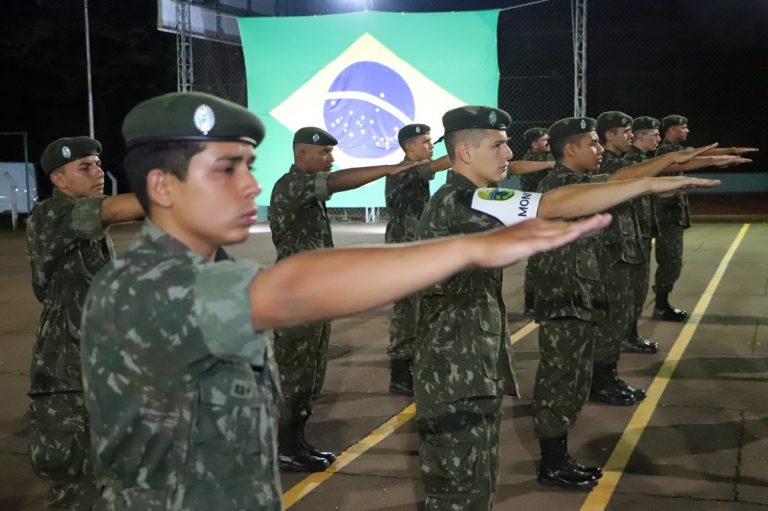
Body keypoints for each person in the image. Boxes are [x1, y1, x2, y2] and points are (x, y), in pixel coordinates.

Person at [79, 91, 613, 511]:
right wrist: (466, 247)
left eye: (248, 165)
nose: (250, 186)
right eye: (225, 169)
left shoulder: (204, 269)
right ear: (162, 188)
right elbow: (295, 285)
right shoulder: (149, 284)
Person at [412, 106, 720, 507]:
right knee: (460, 489)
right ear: (466, 152)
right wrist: (645, 185)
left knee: (476, 484)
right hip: (454, 374)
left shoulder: (477, 198)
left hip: (469, 368)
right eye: (499, 145)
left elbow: (557, 198)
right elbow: (551, 203)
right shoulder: (459, 201)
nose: (509, 154)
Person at [532, 116, 721, 492]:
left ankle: (559, 454)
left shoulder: (582, 182)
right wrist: (656, 176)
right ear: (570, 149)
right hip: (563, 296)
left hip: (581, 292)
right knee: (559, 378)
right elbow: (619, 181)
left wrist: (673, 169)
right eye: (592, 143)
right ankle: (551, 462)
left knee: (572, 378)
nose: (599, 149)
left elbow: (621, 182)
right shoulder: (557, 185)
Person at [268, 126, 427, 471]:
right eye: (324, 153)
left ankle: (295, 441)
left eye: (331, 153)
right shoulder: (291, 185)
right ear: (301, 154)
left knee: (310, 370)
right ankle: (283, 447)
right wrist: (387, 168)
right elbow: (339, 181)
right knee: (294, 371)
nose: (331, 159)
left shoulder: (307, 192)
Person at [26, 136, 143, 509]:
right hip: (66, 384)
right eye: (85, 167)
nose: (97, 173)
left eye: (97, 164)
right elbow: (119, 209)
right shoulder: (51, 215)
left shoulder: (91, 231)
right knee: (77, 492)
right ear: (59, 180)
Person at [652, 115, 757, 321]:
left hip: (673, 214)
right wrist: (723, 157)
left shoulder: (675, 151)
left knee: (673, 262)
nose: (687, 131)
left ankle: (662, 303)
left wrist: (729, 152)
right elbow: (696, 156)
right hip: (666, 216)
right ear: (672, 130)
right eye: (683, 128)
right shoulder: (666, 151)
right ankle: (660, 306)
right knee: (670, 262)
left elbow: (699, 153)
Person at [385, 123, 450, 396]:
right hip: (403, 250)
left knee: (420, 307)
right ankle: (400, 374)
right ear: (409, 147)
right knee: (406, 310)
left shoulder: (415, 172)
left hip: (417, 247)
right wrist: (464, 149)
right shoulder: (402, 171)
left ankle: (415, 364)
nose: (431, 147)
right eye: (426, 142)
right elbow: (434, 167)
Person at [516, 127, 554, 316]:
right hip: (536, 215)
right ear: (534, 144)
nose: (548, 143)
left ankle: (538, 301)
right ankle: (531, 303)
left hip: (546, 214)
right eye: (544, 140)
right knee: (537, 261)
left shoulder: (546, 158)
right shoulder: (532, 160)